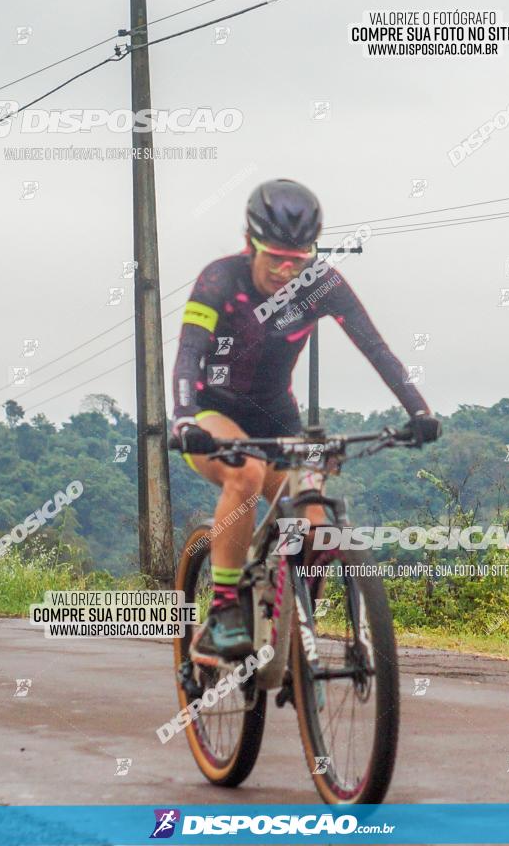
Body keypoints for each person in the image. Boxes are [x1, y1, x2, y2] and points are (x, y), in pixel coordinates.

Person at [171, 178, 441, 661]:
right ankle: (225, 610)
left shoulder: (323, 283)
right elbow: (189, 353)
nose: (284, 269)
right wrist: (185, 419)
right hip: (214, 412)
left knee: (315, 525)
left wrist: (417, 409)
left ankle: (294, 632)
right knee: (246, 473)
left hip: (278, 417)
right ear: (250, 244)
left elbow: (375, 348)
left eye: (297, 259)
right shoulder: (219, 280)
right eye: (275, 256)